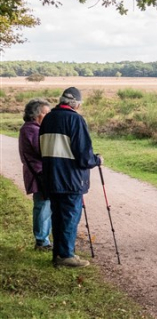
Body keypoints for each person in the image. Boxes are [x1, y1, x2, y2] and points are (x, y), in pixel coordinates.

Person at [39, 87, 103, 268]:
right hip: (70, 178)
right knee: (69, 216)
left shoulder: (48, 118)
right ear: (76, 104)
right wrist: (97, 160)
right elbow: (84, 157)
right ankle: (66, 255)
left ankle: (58, 254)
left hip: (51, 177)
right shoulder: (75, 119)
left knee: (57, 216)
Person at [19, 98, 53, 251]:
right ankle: (41, 241)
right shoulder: (32, 129)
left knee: (45, 206)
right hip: (38, 174)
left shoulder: (33, 128)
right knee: (42, 207)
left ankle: (44, 239)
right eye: (45, 113)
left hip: (39, 174)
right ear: (35, 115)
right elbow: (43, 150)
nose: (48, 116)